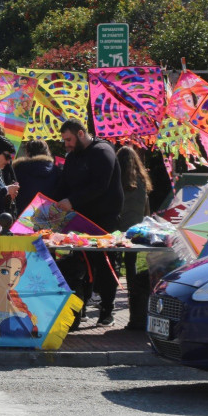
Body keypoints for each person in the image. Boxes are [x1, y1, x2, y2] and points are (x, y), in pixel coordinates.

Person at [55, 119, 124, 327]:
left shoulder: (103, 151)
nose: (66, 144)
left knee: (105, 265)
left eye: (69, 139)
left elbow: (100, 186)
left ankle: (107, 311)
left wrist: (72, 201)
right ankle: (80, 309)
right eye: (64, 140)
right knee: (79, 264)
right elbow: (64, 184)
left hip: (104, 220)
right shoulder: (72, 157)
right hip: (79, 220)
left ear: (81, 133)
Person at [116, 145, 152, 331]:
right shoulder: (142, 181)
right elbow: (146, 210)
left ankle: (109, 309)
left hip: (119, 233)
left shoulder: (117, 180)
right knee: (135, 275)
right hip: (137, 234)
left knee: (117, 268)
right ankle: (137, 316)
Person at [0, 248, 39, 338]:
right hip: (2, 351)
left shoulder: (16, 302)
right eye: (4, 271)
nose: (11, 278)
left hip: (26, 350)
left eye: (17, 273)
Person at [12, 139, 62, 215]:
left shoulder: (18, 168)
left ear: (27, 153)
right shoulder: (56, 171)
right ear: (47, 152)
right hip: (47, 216)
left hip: (21, 215)